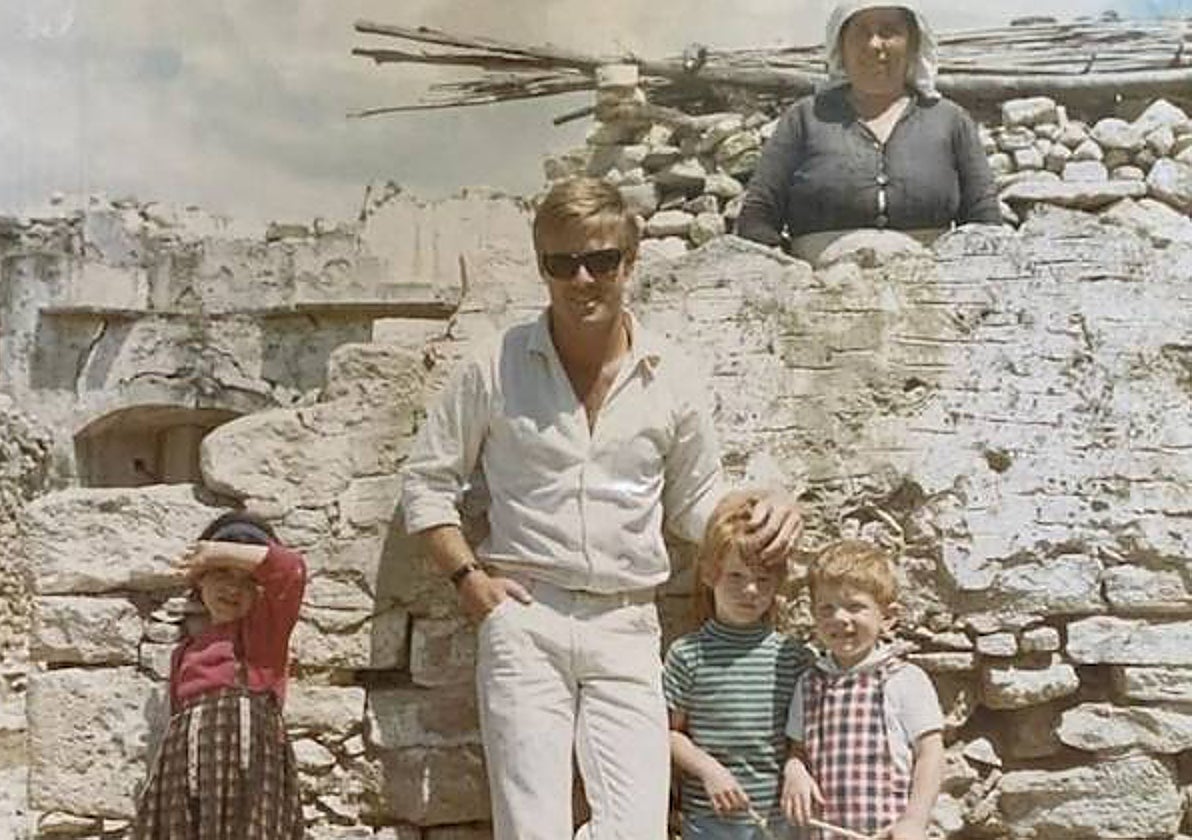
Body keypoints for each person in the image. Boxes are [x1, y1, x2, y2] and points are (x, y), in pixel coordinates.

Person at [400, 176, 803, 840]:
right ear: (542, 268)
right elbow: (426, 484)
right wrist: (469, 582)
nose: (583, 278)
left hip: (626, 623)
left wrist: (762, 508)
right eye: (563, 263)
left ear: (630, 261)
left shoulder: (670, 373)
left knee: (638, 828)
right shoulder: (494, 367)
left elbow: (695, 501)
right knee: (533, 829)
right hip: (526, 616)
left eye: (601, 260)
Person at [736, 1, 1001, 260]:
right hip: (820, 292)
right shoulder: (804, 118)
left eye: (888, 32)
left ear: (913, 44)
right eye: (861, 33)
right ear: (841, 47)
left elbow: (984, 219)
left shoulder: (950, 120)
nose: (874, 45)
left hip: (933, 293)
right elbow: (758, 216)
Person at [134, 511, 307, 840]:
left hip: (245, 769)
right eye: (221, 574)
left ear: (261, 592)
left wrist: (216, 553)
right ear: (200, 581)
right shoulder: (183, 653)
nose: (232, 587)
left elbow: (290, 570)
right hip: (188, 775)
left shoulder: (261, 637)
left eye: (246, 579)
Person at [664, 491, 810, 839]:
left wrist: (798, 766)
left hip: (778, 820)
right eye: (735, 576)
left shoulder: (791, 656)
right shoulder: (688, 654)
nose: (749, 590)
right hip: (712, 821)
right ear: (709, 575)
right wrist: (708, 770)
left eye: (762, 580)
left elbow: (806, 730)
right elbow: (668, 732)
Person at [781, 540, 943, 840]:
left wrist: (914, 820)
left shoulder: (904, 679)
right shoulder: (810, 683)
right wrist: (795, 771)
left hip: (888, 832)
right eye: (826, 608)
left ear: (888, 617)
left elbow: (930, 754)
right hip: (826, 831)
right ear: (813, 615)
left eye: (855, 606)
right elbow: (798, 749)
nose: (840, 618)